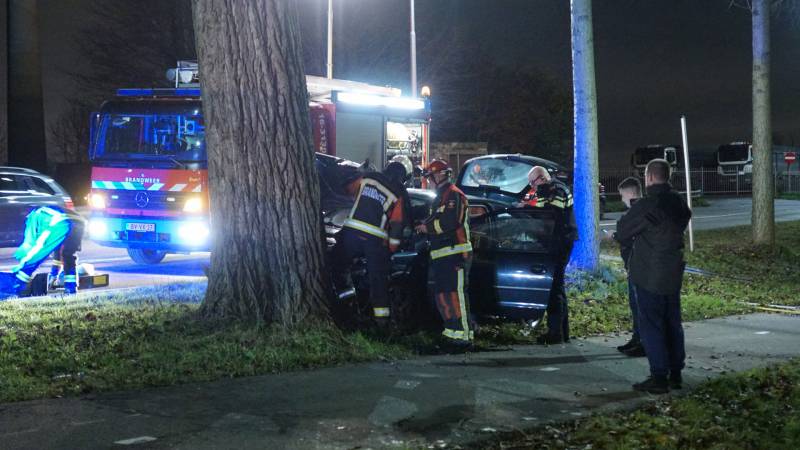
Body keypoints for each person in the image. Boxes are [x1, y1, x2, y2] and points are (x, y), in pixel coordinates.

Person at [614, 159, 692, 394]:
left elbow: (623, 231)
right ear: (668, 176)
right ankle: (675, 373)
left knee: (651, 325)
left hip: (649, 273)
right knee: (673, 323)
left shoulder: (647, 205)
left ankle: (659, 376)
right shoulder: (678, 202)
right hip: (672, 271)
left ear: (648, 177)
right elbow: (684, 217)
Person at [333, 160, 410, 325]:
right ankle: (381, 322)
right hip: (375, 240)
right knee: (378, 279)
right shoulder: (398, 193)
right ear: (403, 177)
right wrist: (392, 248)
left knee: (337, 265)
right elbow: (397, 225)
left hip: (352, 233)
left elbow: (349, 191)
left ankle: (346, 306)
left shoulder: (368, 177)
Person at [415, 160, 474, 348]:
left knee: (456, 295)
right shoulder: (440, 196)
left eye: (430, 177)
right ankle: (451, 333)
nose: (429, 181)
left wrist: (427, 228)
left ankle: (463, 336)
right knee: (443, 296)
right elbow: (436, 219)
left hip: (455, 253)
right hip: (441, 254)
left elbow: (450, 222)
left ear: (439, 175)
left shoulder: (454, 195)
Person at [520, 166, 578, 345]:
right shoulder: (549, 190)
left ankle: (555, 333)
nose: (532, 186)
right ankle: (562, 331)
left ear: (542, 178)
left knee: (554, 289)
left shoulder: (556, 190)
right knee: (557, 287)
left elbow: (549, 216)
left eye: (533, 182)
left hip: (560, 243)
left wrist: (526, 210)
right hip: (558, 242)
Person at [0, 205, 85, 298]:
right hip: (80, 222)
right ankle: (71, 289)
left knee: (37, 253)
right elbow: (58, 252)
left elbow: (31, 244)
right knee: (68, 255)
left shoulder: (33, 216)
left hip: (59, 221)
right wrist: (54, 274)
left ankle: (17, 284)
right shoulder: (44, 211)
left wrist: (21, 265)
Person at [614, 177, 645, 357]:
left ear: (630, 193)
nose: (621, 199)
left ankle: (643, 342)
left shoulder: (638, 212)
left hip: (639, 266)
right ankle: (637, 338)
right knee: (635, 305)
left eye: (622, 195)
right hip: (633, 265)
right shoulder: (637, 211)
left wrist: (615, 236)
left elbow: (626, 235)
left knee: (640, 306)